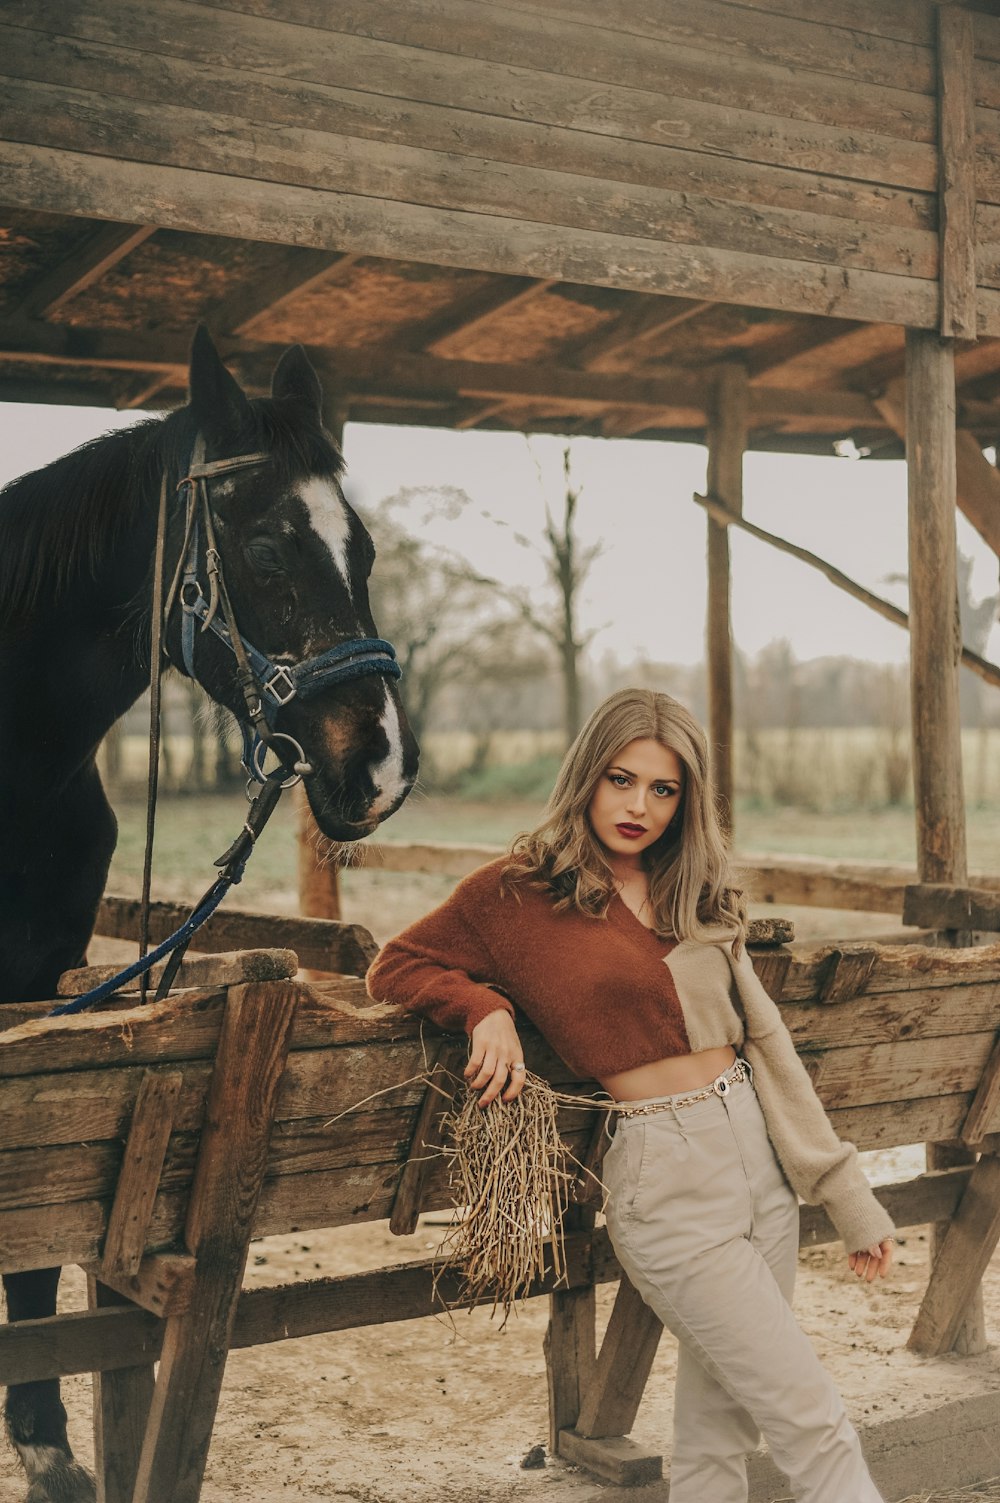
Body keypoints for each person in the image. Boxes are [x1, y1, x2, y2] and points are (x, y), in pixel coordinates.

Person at [366, 688, 893, 1503]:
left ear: (687, 801)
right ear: (587, 776)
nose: (638, 805)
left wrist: (847, 1195)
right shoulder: (515, 894)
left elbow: (769, 1044)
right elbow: (394, 964)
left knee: (721, 1431)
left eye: (663, 788)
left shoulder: (695, 889)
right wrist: (485, 1008)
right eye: (621, 779)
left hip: (761, 1164)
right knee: (810, 1415)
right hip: (666, 1176)